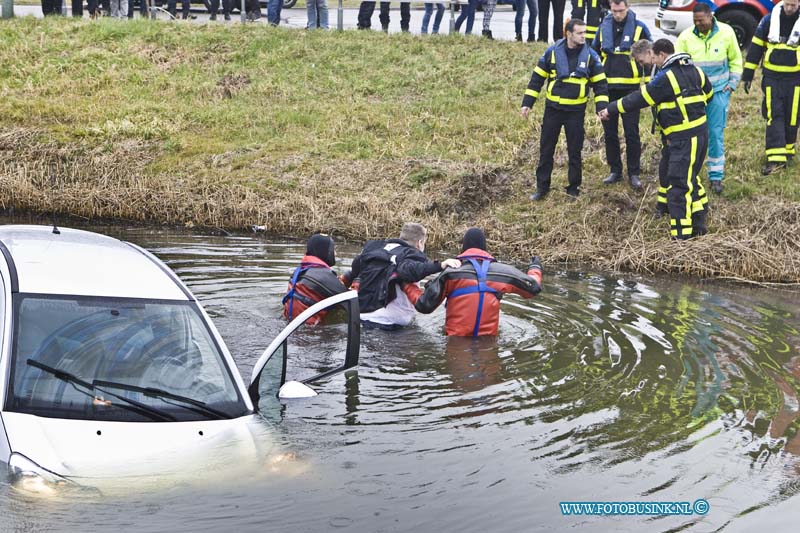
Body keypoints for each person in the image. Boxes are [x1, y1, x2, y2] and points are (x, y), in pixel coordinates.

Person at [600, 39, 712, 240]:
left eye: (644, 60)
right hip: (700, 133)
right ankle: (699, 222)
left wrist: (611, 108)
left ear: (658, 54)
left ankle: (681, 237)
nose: (645, 65)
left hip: (683, 137)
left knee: (679, 185)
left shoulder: (666, 77)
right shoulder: (695, 70)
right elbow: (709, 93)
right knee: (690, 177)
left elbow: (640, 98)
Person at [521, 18, 609, 201]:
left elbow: (600, 85)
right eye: (580, 33)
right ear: (569, 34)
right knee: (546, 150)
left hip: (576, 112)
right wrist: (527, 103)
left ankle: (574, 188)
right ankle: (542, 188)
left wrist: (601, 107)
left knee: (575, 151)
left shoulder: (591, 56)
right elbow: (537, 79)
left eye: (585, 32)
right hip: (553, 110)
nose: (584, 36)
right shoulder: (551, 53)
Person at [414, 228, 543, 337]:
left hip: (455, 344)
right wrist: (535, 267)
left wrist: (405, 284)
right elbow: (533, 288)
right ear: (484, 248)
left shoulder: (450, 273)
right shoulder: (503, 273)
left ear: (463, 248)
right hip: (489, 345)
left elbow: (424, 306)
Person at [675, 3, 742, 195]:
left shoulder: (727, 33)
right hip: (693, 96)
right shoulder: (685, 37)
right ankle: (691, 173)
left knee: (715, 134)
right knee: (691, 136)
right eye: (695, 20)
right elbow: (678, 66)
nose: (698, 23)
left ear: (710, 17)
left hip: (719, 93)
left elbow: (736, 60)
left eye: (701, 20)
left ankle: (715, 177)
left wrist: (732, 84)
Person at [344, 223, 461, 330]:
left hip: (358, 318)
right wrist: (440, 265)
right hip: (390, 324)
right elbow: (409, 270)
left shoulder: (373, 248)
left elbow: (355, 267)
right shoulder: (412, 254)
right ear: (420, 243)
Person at [592, 0, 652, 191]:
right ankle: (615, 170)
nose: (618, 14)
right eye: (614, 11)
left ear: (628, 7)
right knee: (610, 133)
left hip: (630, 90)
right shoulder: (603, 27)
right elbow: (594, 55)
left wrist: (650, 87)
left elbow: (650, 58)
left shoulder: (640, 28)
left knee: (631, 132)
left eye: (621, 11)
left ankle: (634, 173)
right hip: (608, 89)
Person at [742, 0, 800, 175]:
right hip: (772, 78)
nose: (789, 9)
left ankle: (788, 151)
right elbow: (756, 48)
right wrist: (748, 75)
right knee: (774, 115)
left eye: (793, 5)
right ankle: (775, 159)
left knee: (792, 116)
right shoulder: (768, 20)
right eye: (787, 5)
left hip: (795, 79)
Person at [283, 234, 348, 325]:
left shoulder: (301, 270)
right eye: (333, 250)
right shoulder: (323, 276)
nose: (335, 254)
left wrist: (347, 278)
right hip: (312, 333)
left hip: (290, 326)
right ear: (325, 251)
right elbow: (352, 303)